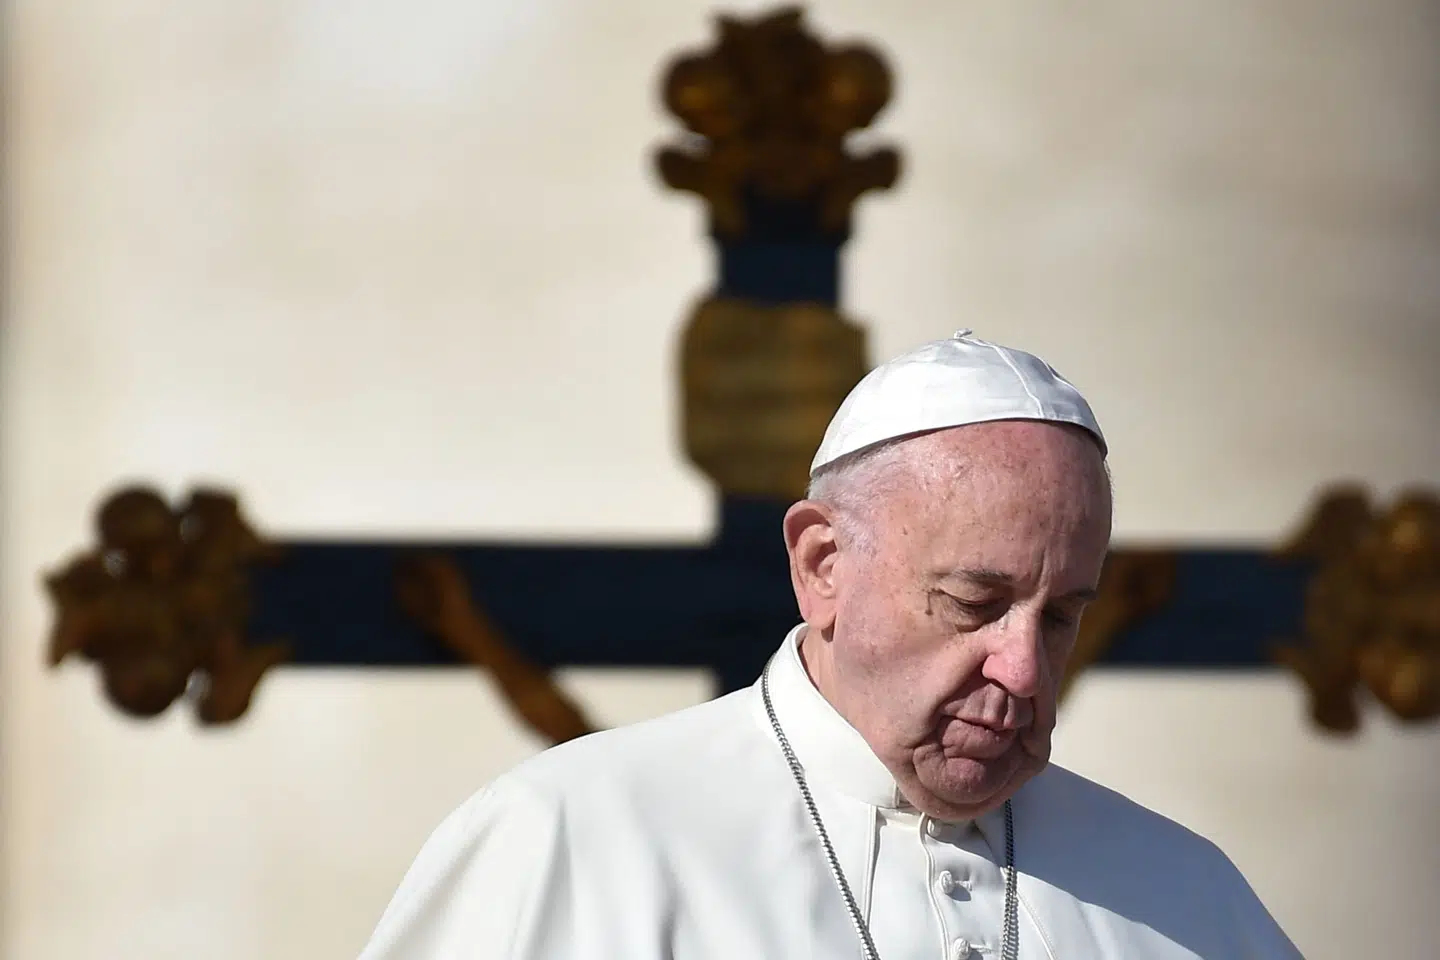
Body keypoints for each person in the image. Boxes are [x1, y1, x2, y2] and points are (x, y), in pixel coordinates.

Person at [356, 331, 1302, 959]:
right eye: (974, 602)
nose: (1023, 671)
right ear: (822, 564)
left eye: (1061, 617)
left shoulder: (1186, 899)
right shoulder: (568, 841)